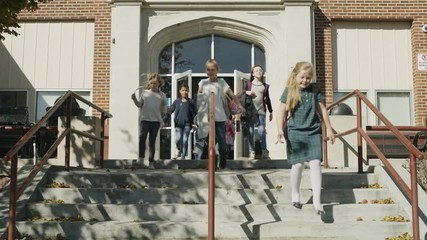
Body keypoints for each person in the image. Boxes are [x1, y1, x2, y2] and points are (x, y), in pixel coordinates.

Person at [276, 61, 335, 215]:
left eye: (308, 78)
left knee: (315, 163)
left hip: (313, 130)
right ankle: (295, 195)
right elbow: (281, 112)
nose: (305, 81)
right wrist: (280, 130)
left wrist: (329, 129)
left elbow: (322, 110)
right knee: (298, 165)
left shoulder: (315, 89)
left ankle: (317, 201)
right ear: (295, 76)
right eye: (302, 77)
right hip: (295, 131)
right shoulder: (290, 90)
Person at [197, 59, 244, 169]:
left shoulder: (222, 82)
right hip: (206, 117)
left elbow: (232, 96)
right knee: (209, 141)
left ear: (217, 70)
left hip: (219, 116)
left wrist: (240, 106)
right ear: (205, 71)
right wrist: (199, 115)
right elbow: (198, 99)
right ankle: (212, 162)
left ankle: (223, 155)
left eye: (213, 69)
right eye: (208, 70)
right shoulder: (202, 82)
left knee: (222, 140)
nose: (210, 72)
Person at [131, 73, 167, 169]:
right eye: (151, 83)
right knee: (142, 137)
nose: (153, 85)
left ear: (159, 84)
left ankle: (151, 163)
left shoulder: (163, 95)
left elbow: (164, 111)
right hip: (145, 119)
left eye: (155, 83)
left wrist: (163, 105)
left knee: (152, 142)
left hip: (155, 121)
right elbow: (139, 105)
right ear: (149, 83)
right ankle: (141, 160)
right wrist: (134, 99)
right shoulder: (145, 93)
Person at [245, 65, 273, 160]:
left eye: (260, 70)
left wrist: (271, 111)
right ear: (253, 73)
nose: (259, 72)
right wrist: (246, 92)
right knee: (251, 131)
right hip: (250, 112)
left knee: (261, 131)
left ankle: (264, 152)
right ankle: (251, 152)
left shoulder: (264, 86)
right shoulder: (249, 84)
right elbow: (242, 96)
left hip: (261, 112)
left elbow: (268, 99)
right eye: (256, 71)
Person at [163, 83, 197, 160]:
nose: (184, 92)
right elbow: (169, 112)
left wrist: (195, 123)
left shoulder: (191, 102)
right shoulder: (176, 102)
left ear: (188, 91)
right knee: (178, 140)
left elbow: (194, 114)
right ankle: (179, 150)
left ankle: (183, 157)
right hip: (179, 125)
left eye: (186, 90)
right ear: (180, 91)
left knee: (185, 140)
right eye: (183, 90)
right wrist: (163, 121)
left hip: (187, 125)